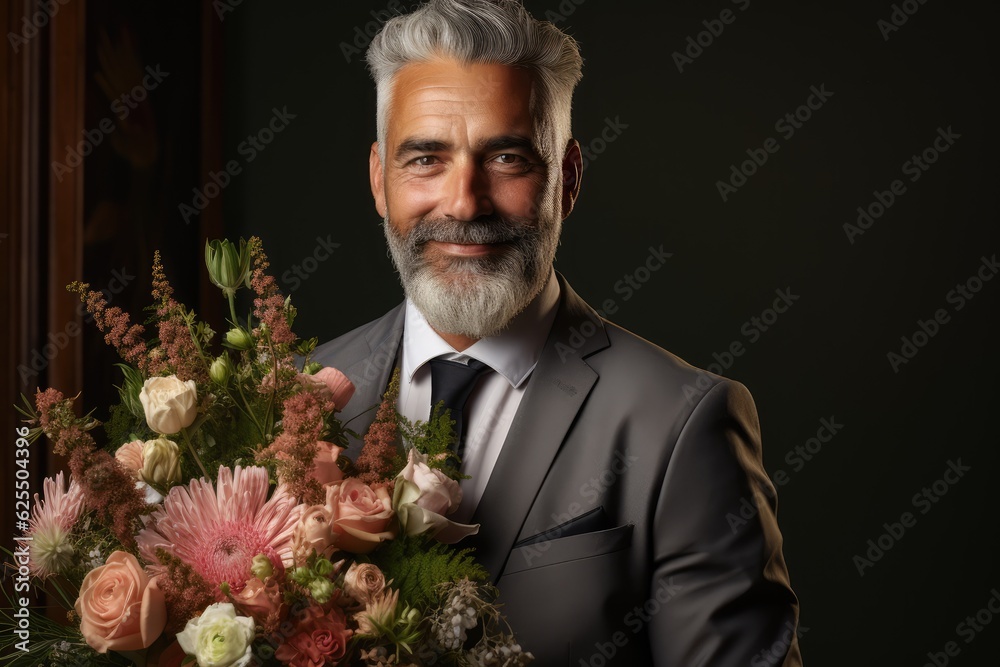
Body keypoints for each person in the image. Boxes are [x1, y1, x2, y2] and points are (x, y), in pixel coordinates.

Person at [312, 1, 802, 664]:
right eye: (426, 158)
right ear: (379, 180)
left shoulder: (683, 424)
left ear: (567, 179)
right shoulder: (291, 400)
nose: (463, 202)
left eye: (508, 157)